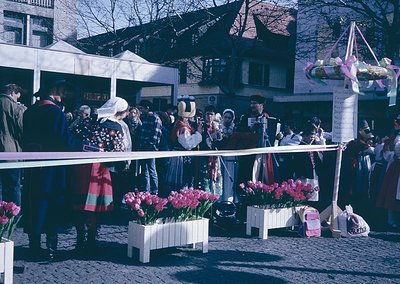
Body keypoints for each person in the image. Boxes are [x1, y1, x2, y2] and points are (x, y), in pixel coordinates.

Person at [22, 80, 82, 260]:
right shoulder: (55, 112)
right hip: (52, 167)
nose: (64, 95)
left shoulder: (30, 111)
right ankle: (50, 249)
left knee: (33, 202)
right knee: (52, 202)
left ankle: (34, 245)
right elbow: (65, 141)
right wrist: (88, 147)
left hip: (32, 165)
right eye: (62, 91)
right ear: (54, 91)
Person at [71, 97, 129, 254]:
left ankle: (79, 240)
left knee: (79, 204)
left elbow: (73, 133)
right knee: (94, 206)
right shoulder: (115, 127)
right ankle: (90, 241)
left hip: (79, 165)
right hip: (98, 168)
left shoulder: (90, 121)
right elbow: (118, 152)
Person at [164, 97, 202, 195]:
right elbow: (188, 144)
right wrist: (198, 133)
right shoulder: (183, 127)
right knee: (183, 182)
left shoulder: (177, 123)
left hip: (177, 155)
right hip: (181, 157)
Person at [0, 83, 26, 206]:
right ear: (12, 93)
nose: (17, 99)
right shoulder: (14, 107)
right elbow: (21, 128)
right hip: (10, 152)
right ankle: (13, 217)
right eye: (17, 96)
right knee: (13, 186)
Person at [137, 100, 162, 194]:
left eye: (141, 108)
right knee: (144, 170)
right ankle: (146, 190)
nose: (140, 110)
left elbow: (156, 136)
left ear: (147, 108)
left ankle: (154, 190)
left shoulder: (155, 118)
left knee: (151, 170)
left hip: (150, 149)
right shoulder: (143, 117)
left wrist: (150, 147)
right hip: (142, 148)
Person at [199, 105, 223, 196]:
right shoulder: (202, 125)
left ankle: (215, 198)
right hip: (205, 155)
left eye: (211, 114)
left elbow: (220, 141)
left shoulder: (216, 126)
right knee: (204, 177)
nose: (209, 116)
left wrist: (218, 134)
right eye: (207, 114)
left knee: (216, 177)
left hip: (215, 157)